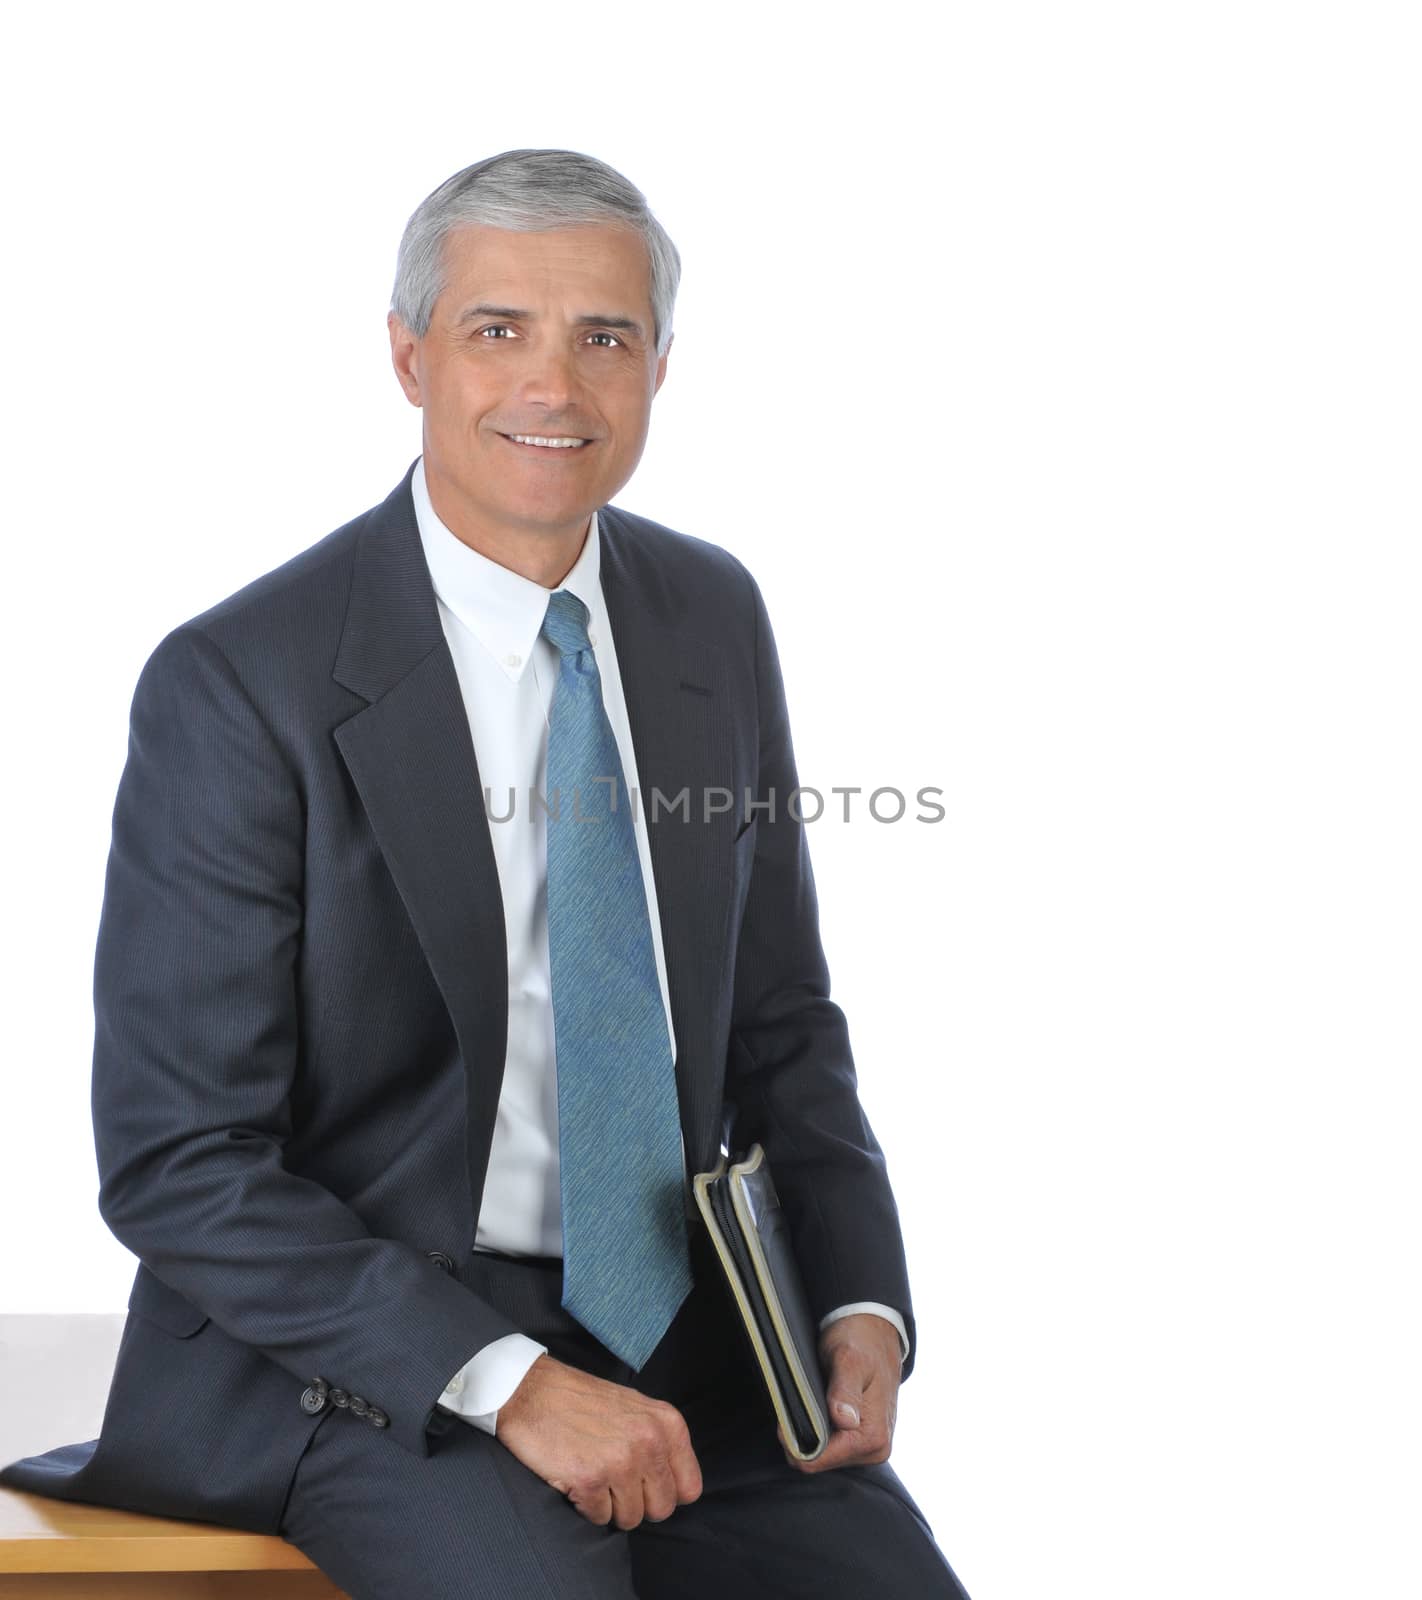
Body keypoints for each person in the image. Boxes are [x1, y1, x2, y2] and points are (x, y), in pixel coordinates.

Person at [0, 148, 971, 1599]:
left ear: (658, 367)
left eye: (604, 338)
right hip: (369, 1366)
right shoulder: (240, 684)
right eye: (497, 329)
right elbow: (178, 1160)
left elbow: (779, 1020)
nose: (555, 389)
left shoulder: (708, 615)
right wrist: (505, 1379)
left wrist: (857, 1295)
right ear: (407, 355)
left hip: (688, 1349)